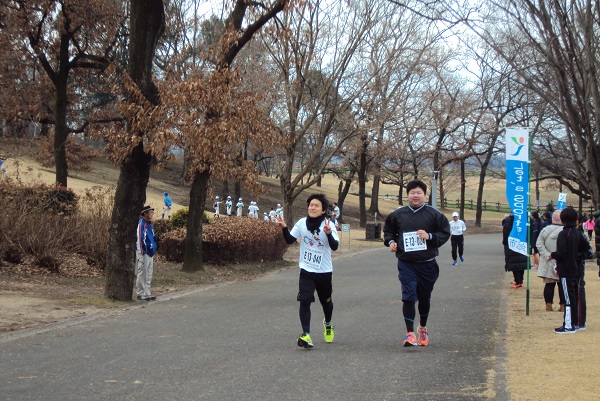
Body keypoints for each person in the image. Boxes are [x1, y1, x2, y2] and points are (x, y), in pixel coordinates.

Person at [383, 179, 450, 347]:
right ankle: (410, 333)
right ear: (407, 195)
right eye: (412, 193)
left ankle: (423, 327)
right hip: (406, 263)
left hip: (427, 263)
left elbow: (445, 232)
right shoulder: (398, 214)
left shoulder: (434, 214)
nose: (415, 196)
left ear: (425, 195)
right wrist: (390, 242)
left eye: (419, 193)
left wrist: (430, 237)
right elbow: (389, 231)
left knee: (424, 298)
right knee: (408, 296)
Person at [276, 193, 339, 349]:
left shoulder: (328, 225)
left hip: (324, 271)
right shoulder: (302, 223)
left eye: (316, 205)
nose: (312, 207)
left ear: (323, 210)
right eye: (311, 205)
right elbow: (290, 240)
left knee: (326, 303)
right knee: (304, 300)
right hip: (306, 269)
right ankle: (306, 334)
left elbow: (335, 246)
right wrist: (284, 228)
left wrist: (328, 234)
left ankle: (328, 323)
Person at [550, 207, 592, 334]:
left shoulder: (564, 234)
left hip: (566, 269)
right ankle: (574, 322)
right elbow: (588, 251)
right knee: (573, 296)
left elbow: (561, 253)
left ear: (563, 220)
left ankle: (568, 325)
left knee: (568, 297)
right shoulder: (577, 233)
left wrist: (553, 255)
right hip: (574, 269)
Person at [536, 210, 565, 311]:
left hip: (548, 260)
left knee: (549, 284)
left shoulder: (546, 230)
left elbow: (539, 244)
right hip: (562, 261)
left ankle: (548, 304)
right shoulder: (566, 230)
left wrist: (546, 254)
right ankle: (563, 305)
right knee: (562, 284)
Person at [136, 206, 157, 301]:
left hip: (150, 253)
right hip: (144, 252)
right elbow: (140, 238)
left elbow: (152, 236)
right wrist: (143, 251)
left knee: (149, 273)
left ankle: (147, 292)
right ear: (145, 214)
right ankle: (141, 293)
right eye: (150, 212)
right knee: (142, 273)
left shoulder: (150, 225)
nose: (152, 213)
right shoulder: (142, 224)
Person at [502, 213, 528, 288]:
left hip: (512, 243)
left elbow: (506, 233)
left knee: (514, 263)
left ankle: (517, 281)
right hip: (522, 243)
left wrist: (505, 243)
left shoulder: (508, 221)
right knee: (521, 262)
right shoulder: (523, 220)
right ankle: (520, 281)